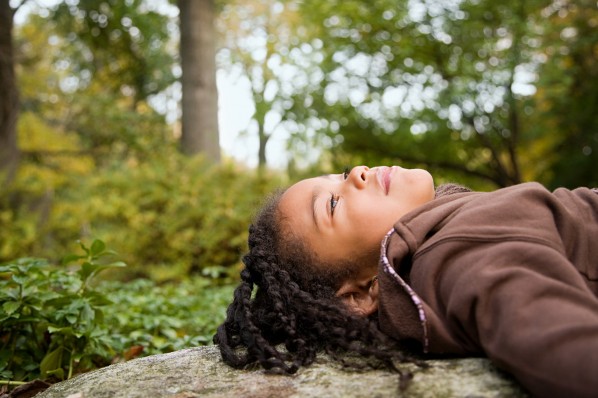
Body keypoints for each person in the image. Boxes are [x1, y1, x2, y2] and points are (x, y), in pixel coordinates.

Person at [214, 165, 598, 398]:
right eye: (332, 203)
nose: (356, 174)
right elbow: (559, 345)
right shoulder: (457, 252)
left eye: (341, 174)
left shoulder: (442, 230)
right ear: (359, 295)